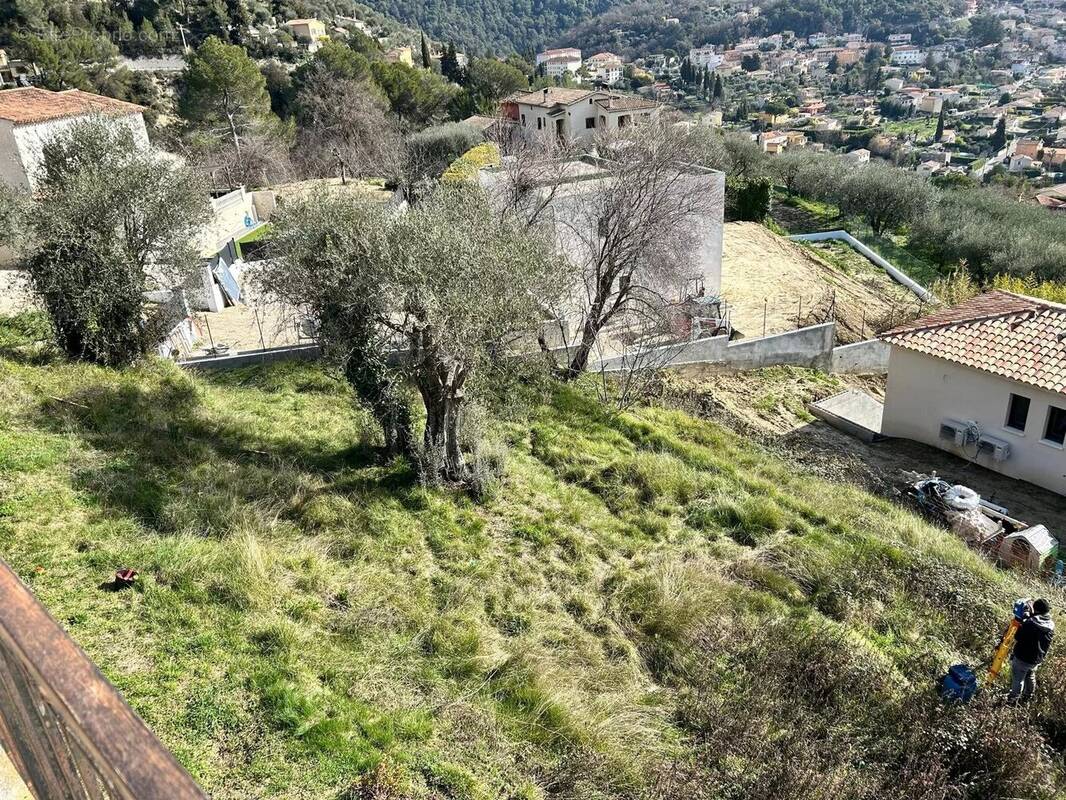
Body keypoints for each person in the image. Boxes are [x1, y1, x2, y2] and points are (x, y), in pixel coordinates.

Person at [1008, 598, 1055, 704]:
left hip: (1022, 658)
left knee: (1018, 679)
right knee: (1030, 675)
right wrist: (1028, 617)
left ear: (1036, 610)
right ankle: (1028, 697)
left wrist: (1024, 618)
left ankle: (1013, 700)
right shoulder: (1050, 625)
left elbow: (1018, 636)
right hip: (1036, 659)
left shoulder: (1030, 623)